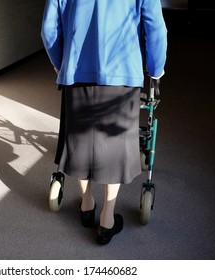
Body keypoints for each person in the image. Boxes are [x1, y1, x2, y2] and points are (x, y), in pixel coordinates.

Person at [41, 0, 167, 245]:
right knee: (115, 148)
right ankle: (107, 219)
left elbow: (49, 29)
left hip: (76, 71)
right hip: (122, 73)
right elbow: (155, 27)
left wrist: (62, 63)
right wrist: (156, 68)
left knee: (79, 141)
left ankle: (87, 203)